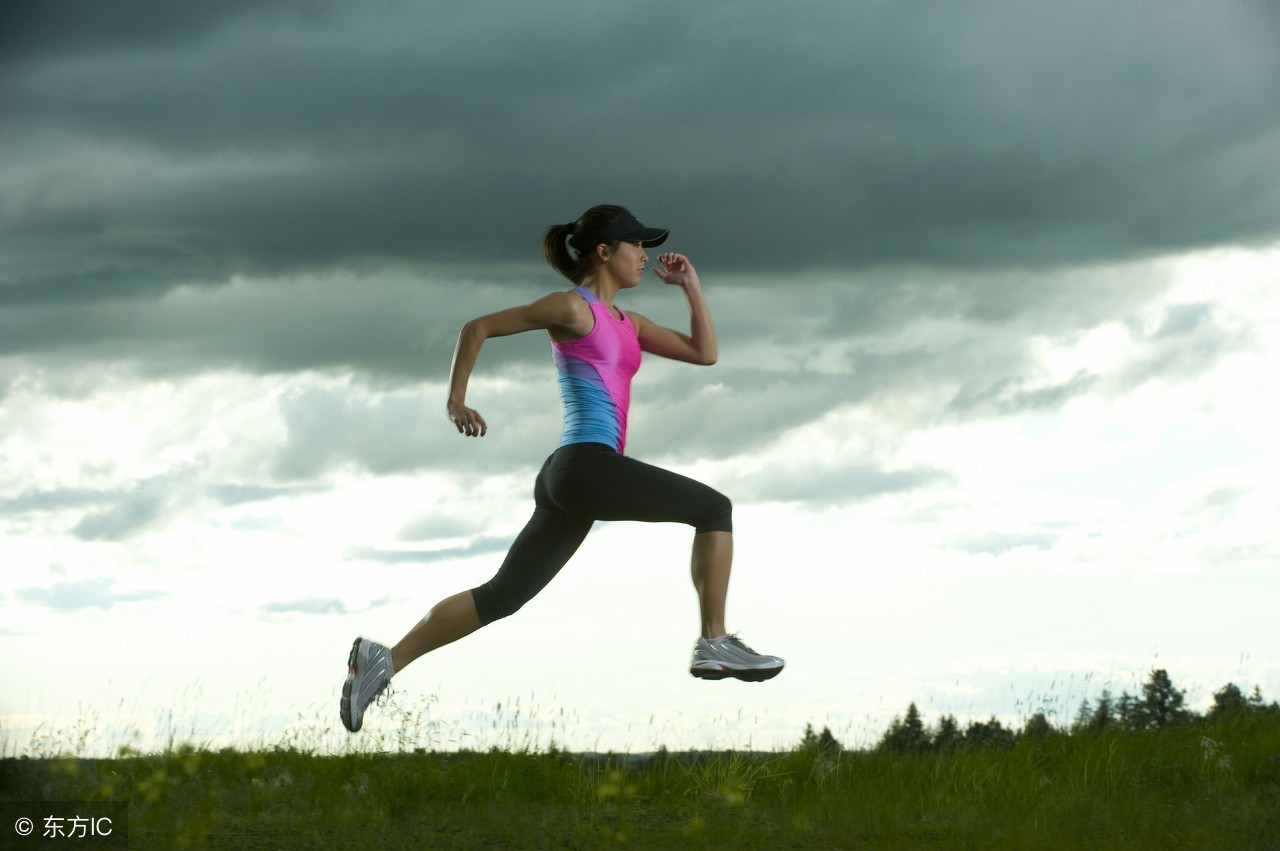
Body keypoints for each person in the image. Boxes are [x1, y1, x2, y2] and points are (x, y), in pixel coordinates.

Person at [341, 204, 784, 733]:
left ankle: (384, 660)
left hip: (572, 477)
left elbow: (703, 352)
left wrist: (691, 287)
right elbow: (476, 327)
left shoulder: (629, 322)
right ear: (604, 251)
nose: (644, 255)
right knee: (713, 508)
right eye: (635, 245)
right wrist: (456, 400)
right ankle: (715, 639)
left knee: (502, 596)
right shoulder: (573, 310)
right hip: (586, 466)